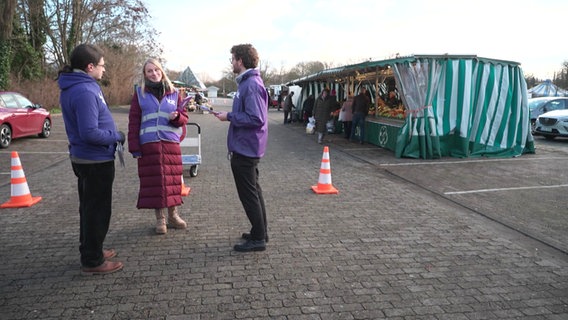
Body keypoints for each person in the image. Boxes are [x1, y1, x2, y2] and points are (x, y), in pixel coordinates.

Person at [57, 44, 124, 275]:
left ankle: (92, 249)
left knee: (88, 208)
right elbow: (89, 132)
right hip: (95, 161)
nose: (104, 70)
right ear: (90, 66)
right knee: (97, 210)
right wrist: (116, 136)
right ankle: (92, 260)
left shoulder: (76, 86)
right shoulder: (85, 91)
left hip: (86, 158)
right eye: (102, 66)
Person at [215, 44, 269, 252]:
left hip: (246, 148)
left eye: (233, 59)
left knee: (249, 194)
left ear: (241, 60)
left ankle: (258, 238)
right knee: (254, 191)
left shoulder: (251, 84)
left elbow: (256, 118)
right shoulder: (248, 83)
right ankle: (260, 232)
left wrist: (229, 116)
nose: (231, 63)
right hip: (247, 146)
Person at [127, 58, 189, 235]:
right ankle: (160, 219)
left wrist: (177, 117)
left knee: (172, 181)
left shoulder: (175, 93)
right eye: (149, 71)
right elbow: (134, 122)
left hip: (170, 144)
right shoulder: (140, 94)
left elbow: (184, 118)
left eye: (156, 70)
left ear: (162, 71)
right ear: (144, 74)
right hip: (149, 145)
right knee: (154, 183)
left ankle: (173, 215)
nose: (154, 73)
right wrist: (134, 147)